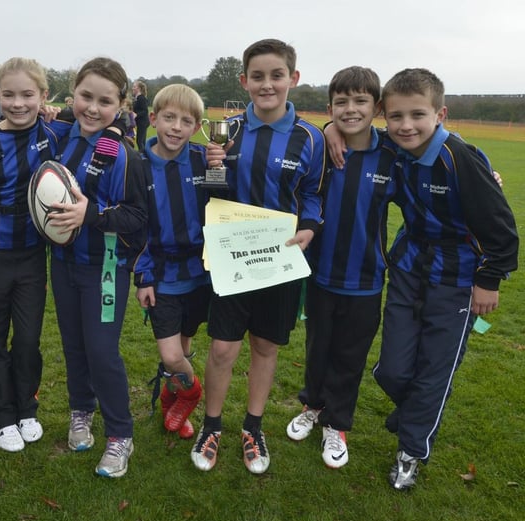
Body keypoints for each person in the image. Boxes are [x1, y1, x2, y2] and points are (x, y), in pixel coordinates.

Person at [370, 68, 518, 490]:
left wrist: (489, 280)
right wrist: (329, 131)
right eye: (395, 116)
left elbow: (502, 232)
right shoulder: (393, 148)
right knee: (391, 369)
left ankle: (410, 451)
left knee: (435, 368)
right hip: (409, 265)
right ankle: (416, 412)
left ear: (440, 114)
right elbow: (350, 127)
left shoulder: (460, 158)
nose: (405, 125)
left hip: (457, 276)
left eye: (417, 114)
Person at [192, 39, 325, 475]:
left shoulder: (311, 137)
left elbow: (312, 194)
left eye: (276, 75)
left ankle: (253, 426)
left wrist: (309, 227)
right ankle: (212, 426)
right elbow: (211, 194)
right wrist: (214, 166)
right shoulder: (226, 130)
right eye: (258, 76)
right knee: (223, 348)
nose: (267, 85)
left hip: (280, 258)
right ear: (244, 80)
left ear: (293, 79)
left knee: (266, 345)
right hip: (233, 258)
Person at [285, 66, 396, 469]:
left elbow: (430, 161)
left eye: (360, 101)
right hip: (320, 273)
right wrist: (329, 127)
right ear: (331, 106)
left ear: (377, 107)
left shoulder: (391, 155)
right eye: (341, 103)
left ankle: (337, 423)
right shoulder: (321, 149)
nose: (351, 109)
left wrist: (485, 171)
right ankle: (312, 406)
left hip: (366, 278)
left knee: (350, 356)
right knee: (318, 347)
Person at [0, 57, 74, 453]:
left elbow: (106, 121)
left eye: (28, 94)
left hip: (31, 253)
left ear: (43, 97)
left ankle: (27, 407)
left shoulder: (55, 133)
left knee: (27, 339)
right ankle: (1, 416)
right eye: (8, 94)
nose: (18, 103)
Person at [48, 57, 148, 477]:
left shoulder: (124, 154)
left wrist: (93, 214)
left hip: (104, 266)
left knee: (102, 351)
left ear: (120, 104)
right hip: (62, 263)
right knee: (73, 345)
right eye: (86, 96)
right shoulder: (57, 136)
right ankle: (80, 412)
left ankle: (121, 435)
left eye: (104, 101)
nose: (92, 108)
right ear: (73, 94)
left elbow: (139, 219)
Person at [133, 84, 210, 441]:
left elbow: (223, 210)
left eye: (186, 120)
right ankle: (193, 395)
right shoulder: (138, 166)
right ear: (153, 119)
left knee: (186, 347)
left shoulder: (203, 160)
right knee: (171, 355)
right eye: (169, 118)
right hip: (161, 276)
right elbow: (135, 230)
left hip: (200, 276)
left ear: (196, 126)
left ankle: (172, 404)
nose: (176, 127)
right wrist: (143, 275)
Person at [132, 80, 149, 150]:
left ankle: (142, 157)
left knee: (139, 141)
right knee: (142, 141)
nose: (132, 88)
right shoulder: (137, 98)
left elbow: (145, 111)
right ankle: (144, 155)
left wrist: (136, 114)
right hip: (141, 122)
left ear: (138, 89)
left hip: (143, 122)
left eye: (134, 87)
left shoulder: (141, 98)